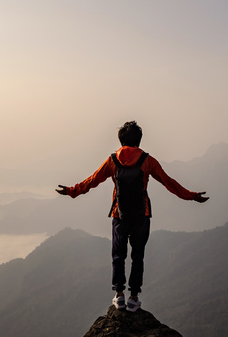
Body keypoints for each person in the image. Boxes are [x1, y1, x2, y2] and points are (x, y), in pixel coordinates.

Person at [56, 121, 208, 312]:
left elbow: (92, 180)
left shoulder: (113, 160)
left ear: (121, 140)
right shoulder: (148, 161)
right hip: (141, 215)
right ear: (139, 140)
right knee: (138, 257)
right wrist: (192, 196)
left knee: (118, 256)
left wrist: (71, 191)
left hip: (119, 215)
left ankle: (119, 295)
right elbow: (169, 182)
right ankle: (133, 298)